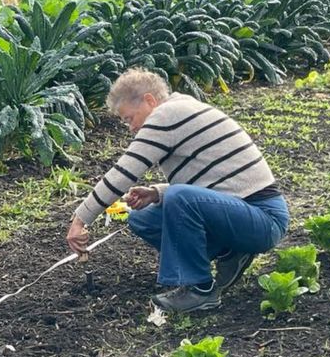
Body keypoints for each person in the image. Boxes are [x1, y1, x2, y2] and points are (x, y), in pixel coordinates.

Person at [66, 68, 289, 313]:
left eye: (129, 118)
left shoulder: (167, 114)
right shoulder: (180, 110)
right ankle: (231, 252)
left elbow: (123, 173)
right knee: (143, 217)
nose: (130, 128)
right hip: (242, 213)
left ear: (150, 100)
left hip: (264, 217)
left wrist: (80, 219)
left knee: (178, 197)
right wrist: (158, 192)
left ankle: (200, 290)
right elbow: (214, 179)